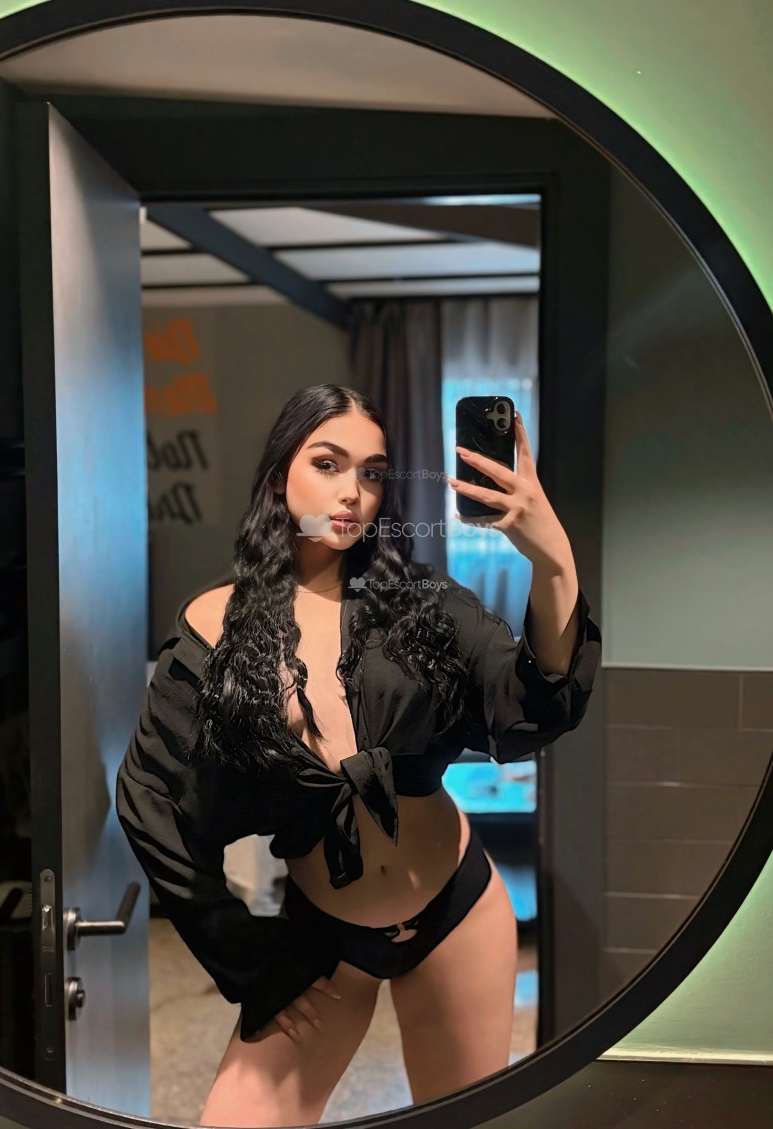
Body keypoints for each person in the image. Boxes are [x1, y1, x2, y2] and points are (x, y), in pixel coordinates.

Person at [116, 383, 601, 1128]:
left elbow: (532, 702)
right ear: (280, 471)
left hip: (459, 911)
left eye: (372, 473)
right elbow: (151, 804)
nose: (352, 492)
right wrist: (243, 949)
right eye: (328, 463)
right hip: (323, 936)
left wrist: (553, 563)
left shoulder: (421, 604)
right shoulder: (213, 630)